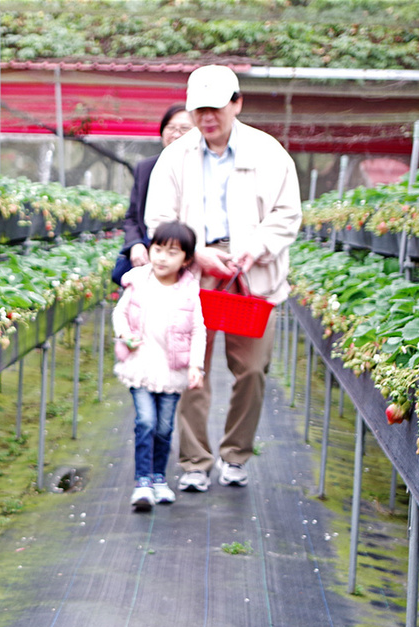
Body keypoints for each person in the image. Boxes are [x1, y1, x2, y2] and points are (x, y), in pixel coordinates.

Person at [144, 64, 302, 492]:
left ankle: (236, 455)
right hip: (195, 269)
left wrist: (257, 246)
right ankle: (195, 461)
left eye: (215, 107)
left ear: (237, 104)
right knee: (190, 367)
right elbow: (158, 217)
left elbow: (288, 215)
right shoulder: (176, 157)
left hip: (253, 271)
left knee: (251, 368)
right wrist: (197, 254)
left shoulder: (269, 153)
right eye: (199, 109)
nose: (206, 117)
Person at [113, 221, 206, 511]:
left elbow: (198, 330)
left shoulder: (190, 291)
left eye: (172, 252)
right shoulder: (138, 280)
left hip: (171, 371)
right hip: (140, 365)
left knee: (164, 427)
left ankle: (158, 478)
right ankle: (142, 483)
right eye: (158, 249)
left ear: (186, 259)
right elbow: (120, 313)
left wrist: (196, 366)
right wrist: (126, 335)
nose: (162, 257)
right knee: (146, 422)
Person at [111, 105, 195, 286]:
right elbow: (132, 216)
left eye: (184, 129)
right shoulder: (146, 168)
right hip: (153, 260)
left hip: (191, 262)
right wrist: (135, 244)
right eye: (171, 128)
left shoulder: (202, 168)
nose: (176, 134)